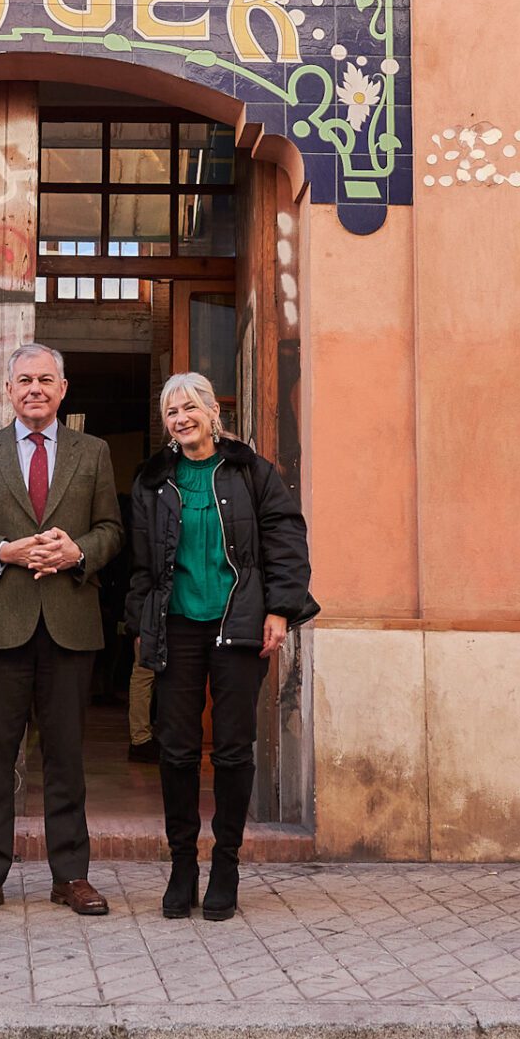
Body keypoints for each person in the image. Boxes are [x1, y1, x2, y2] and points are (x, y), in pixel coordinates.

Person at [126, 372, 317, 922]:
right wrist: (142, 622)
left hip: (239, 623)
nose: (181, 418)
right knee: (177, 749)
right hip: (178, 624)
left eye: (190, 407)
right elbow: (142, 564)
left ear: (213, 412)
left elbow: (285, 538)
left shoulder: (252, 473)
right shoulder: (153, 479)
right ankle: (182, 865)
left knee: (233, 749)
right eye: (171, 411)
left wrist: (280, 609)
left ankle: (226, 864)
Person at [0, 343, 124, 919]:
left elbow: (112, 531)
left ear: (63, 388)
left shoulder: (92, 453)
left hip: (71, 624)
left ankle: (71, 874)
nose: (35, 390)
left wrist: (78, 553)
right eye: (24, 380)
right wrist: (4, 550)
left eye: (46, 380)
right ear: (9, 389)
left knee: (68, 757)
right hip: (2, 626)